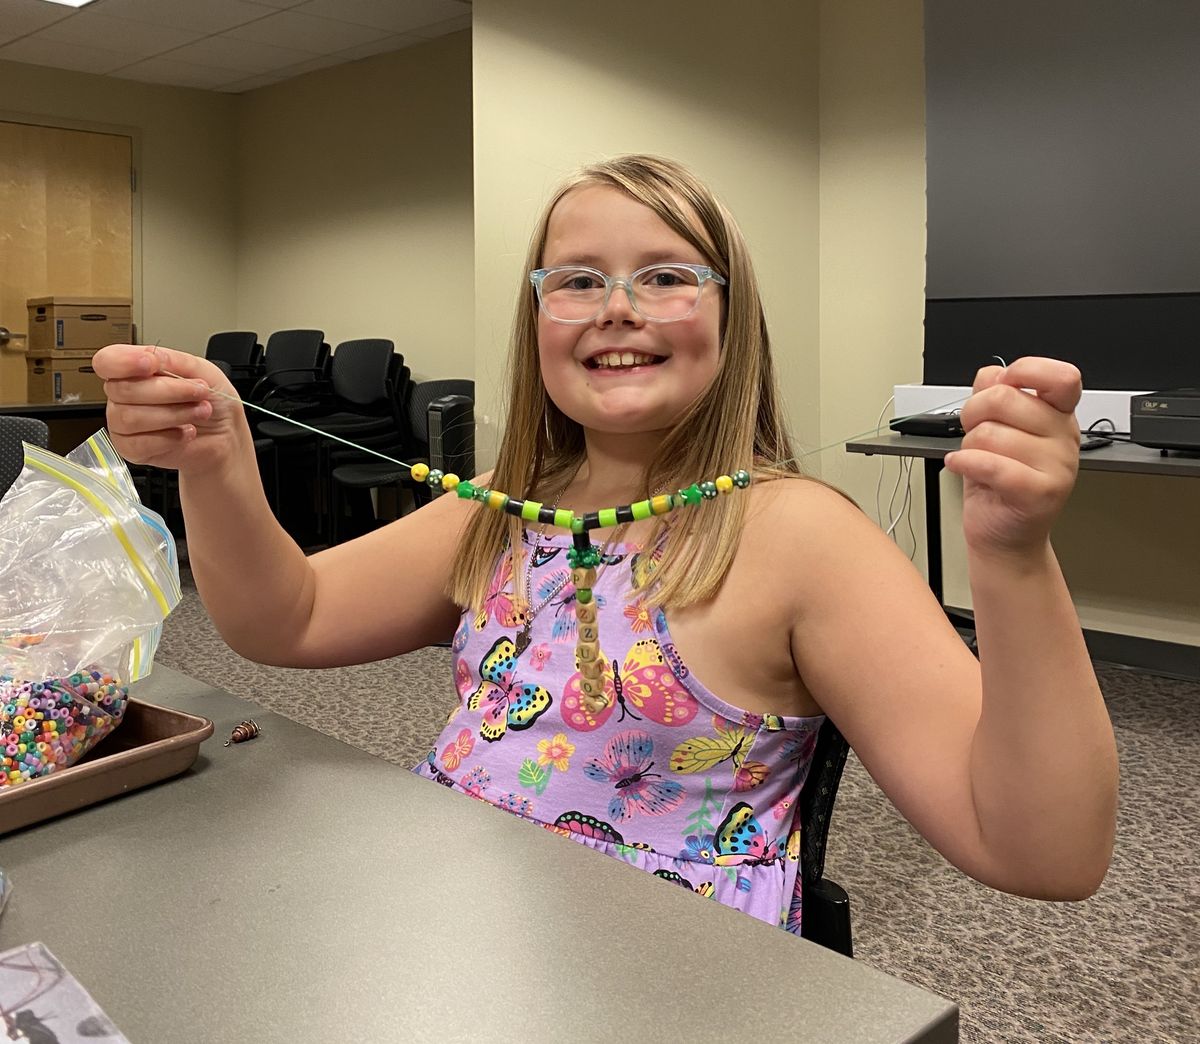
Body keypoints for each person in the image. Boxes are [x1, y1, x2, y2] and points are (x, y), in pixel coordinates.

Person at [93, 154, 1118, 934]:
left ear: (732, 318)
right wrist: (217, 461)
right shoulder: (509, 506)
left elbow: (1045, 850)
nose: (617, 308)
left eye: (667, 275)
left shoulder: (797, 534)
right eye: (576, 281)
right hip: (456, 920)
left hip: (663, 971)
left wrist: (1015, 557)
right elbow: (287, 617)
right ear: (537, 319)